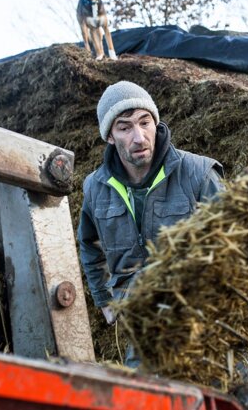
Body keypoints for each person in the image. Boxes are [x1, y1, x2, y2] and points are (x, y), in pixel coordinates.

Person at [77, 80, 224, 334]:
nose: (139, 137)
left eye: (145, 123)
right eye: (125, 128)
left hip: (204, 322)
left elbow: (235, 246)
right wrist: (105, 302)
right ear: (110, 136)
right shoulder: (95, 187)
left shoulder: (198, 174)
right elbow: (90, 247)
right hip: (140, 325)